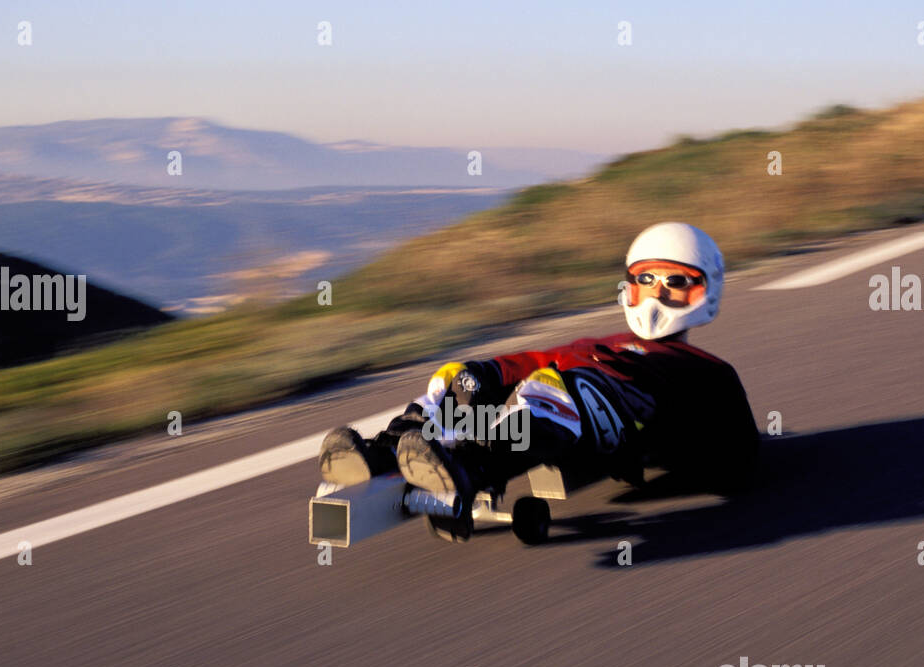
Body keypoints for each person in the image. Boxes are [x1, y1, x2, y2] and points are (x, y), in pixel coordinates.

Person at [317, 222, 760, 541]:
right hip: (552, 406)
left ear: (706, 291)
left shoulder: (706, 370)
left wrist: (663, 461)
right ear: (630, 286)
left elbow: (738, 462)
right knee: (461, 379)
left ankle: (472, 466)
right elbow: (525, 360)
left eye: (676, 282)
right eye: (648, 280)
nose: (659, 294)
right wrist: (479, 374)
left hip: (608, 419)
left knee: (552, 388)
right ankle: (390, 449)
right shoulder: (597, 343)